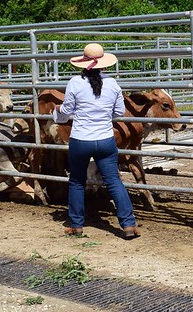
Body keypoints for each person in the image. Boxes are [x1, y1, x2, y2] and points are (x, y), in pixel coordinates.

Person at [52, 43, 140, 239]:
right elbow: (118, 113)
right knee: (114, 180)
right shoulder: (113, 84)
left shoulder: (75, 82)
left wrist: (58, 109)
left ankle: (76, 225)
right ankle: (129, 225)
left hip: (81, 140)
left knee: (76, 181)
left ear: (83, 63)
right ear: (104, 65)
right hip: (106, 140)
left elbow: (66, 112)